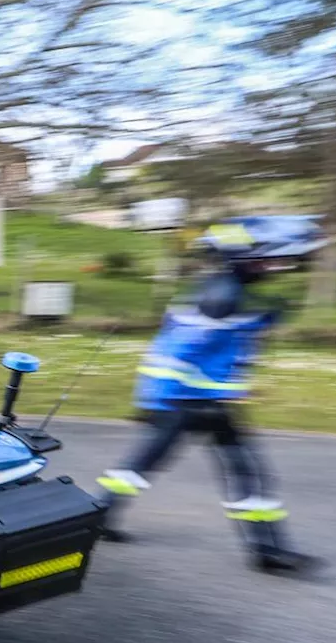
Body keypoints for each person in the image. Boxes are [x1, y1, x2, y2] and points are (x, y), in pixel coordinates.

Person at [93, 223, 319, 575]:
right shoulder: (221, 296)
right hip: (186, 401)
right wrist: (263, 319)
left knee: (145, 467)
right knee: (149, 467)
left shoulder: (222, 290)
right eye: (262, 263)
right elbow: (190, 348)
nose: (268, 269)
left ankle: (268, 549)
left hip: (194, 400)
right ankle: (267, 549)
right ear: (241, 261)